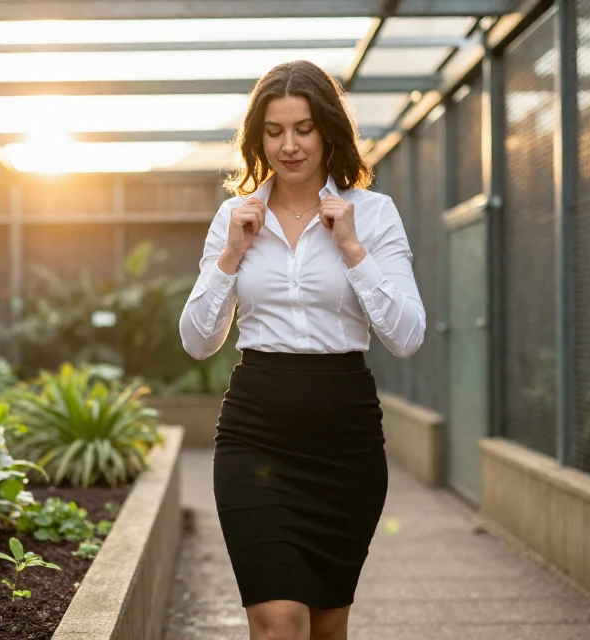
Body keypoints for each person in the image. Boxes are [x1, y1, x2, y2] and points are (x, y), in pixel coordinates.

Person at [178, 59, 426, 640]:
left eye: (304, 128)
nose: (289, 145)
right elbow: (196, 340)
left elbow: (407, 336)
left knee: (326, 628)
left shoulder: (374, 214)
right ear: (257, 138)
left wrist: (353, 250)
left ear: (328, 131)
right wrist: (230, 256)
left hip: (344, 445)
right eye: (274, 131)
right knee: (277, 624)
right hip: (254, 435)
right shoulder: (233, 219)